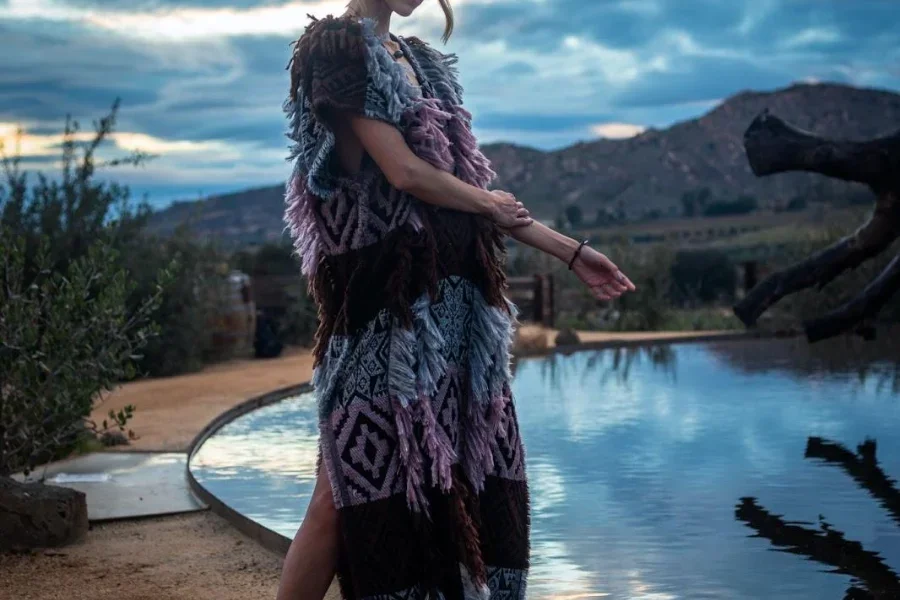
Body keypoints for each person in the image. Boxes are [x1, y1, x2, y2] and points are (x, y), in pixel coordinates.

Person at [277, 1, 636, 598]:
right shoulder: (336, 51)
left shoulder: (417, 60)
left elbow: (470, 191)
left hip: (456, 312)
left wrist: (571, 252)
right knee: (340, 493)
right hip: (385, 319)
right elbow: (405, 173)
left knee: (463, 475)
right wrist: (487, 204)